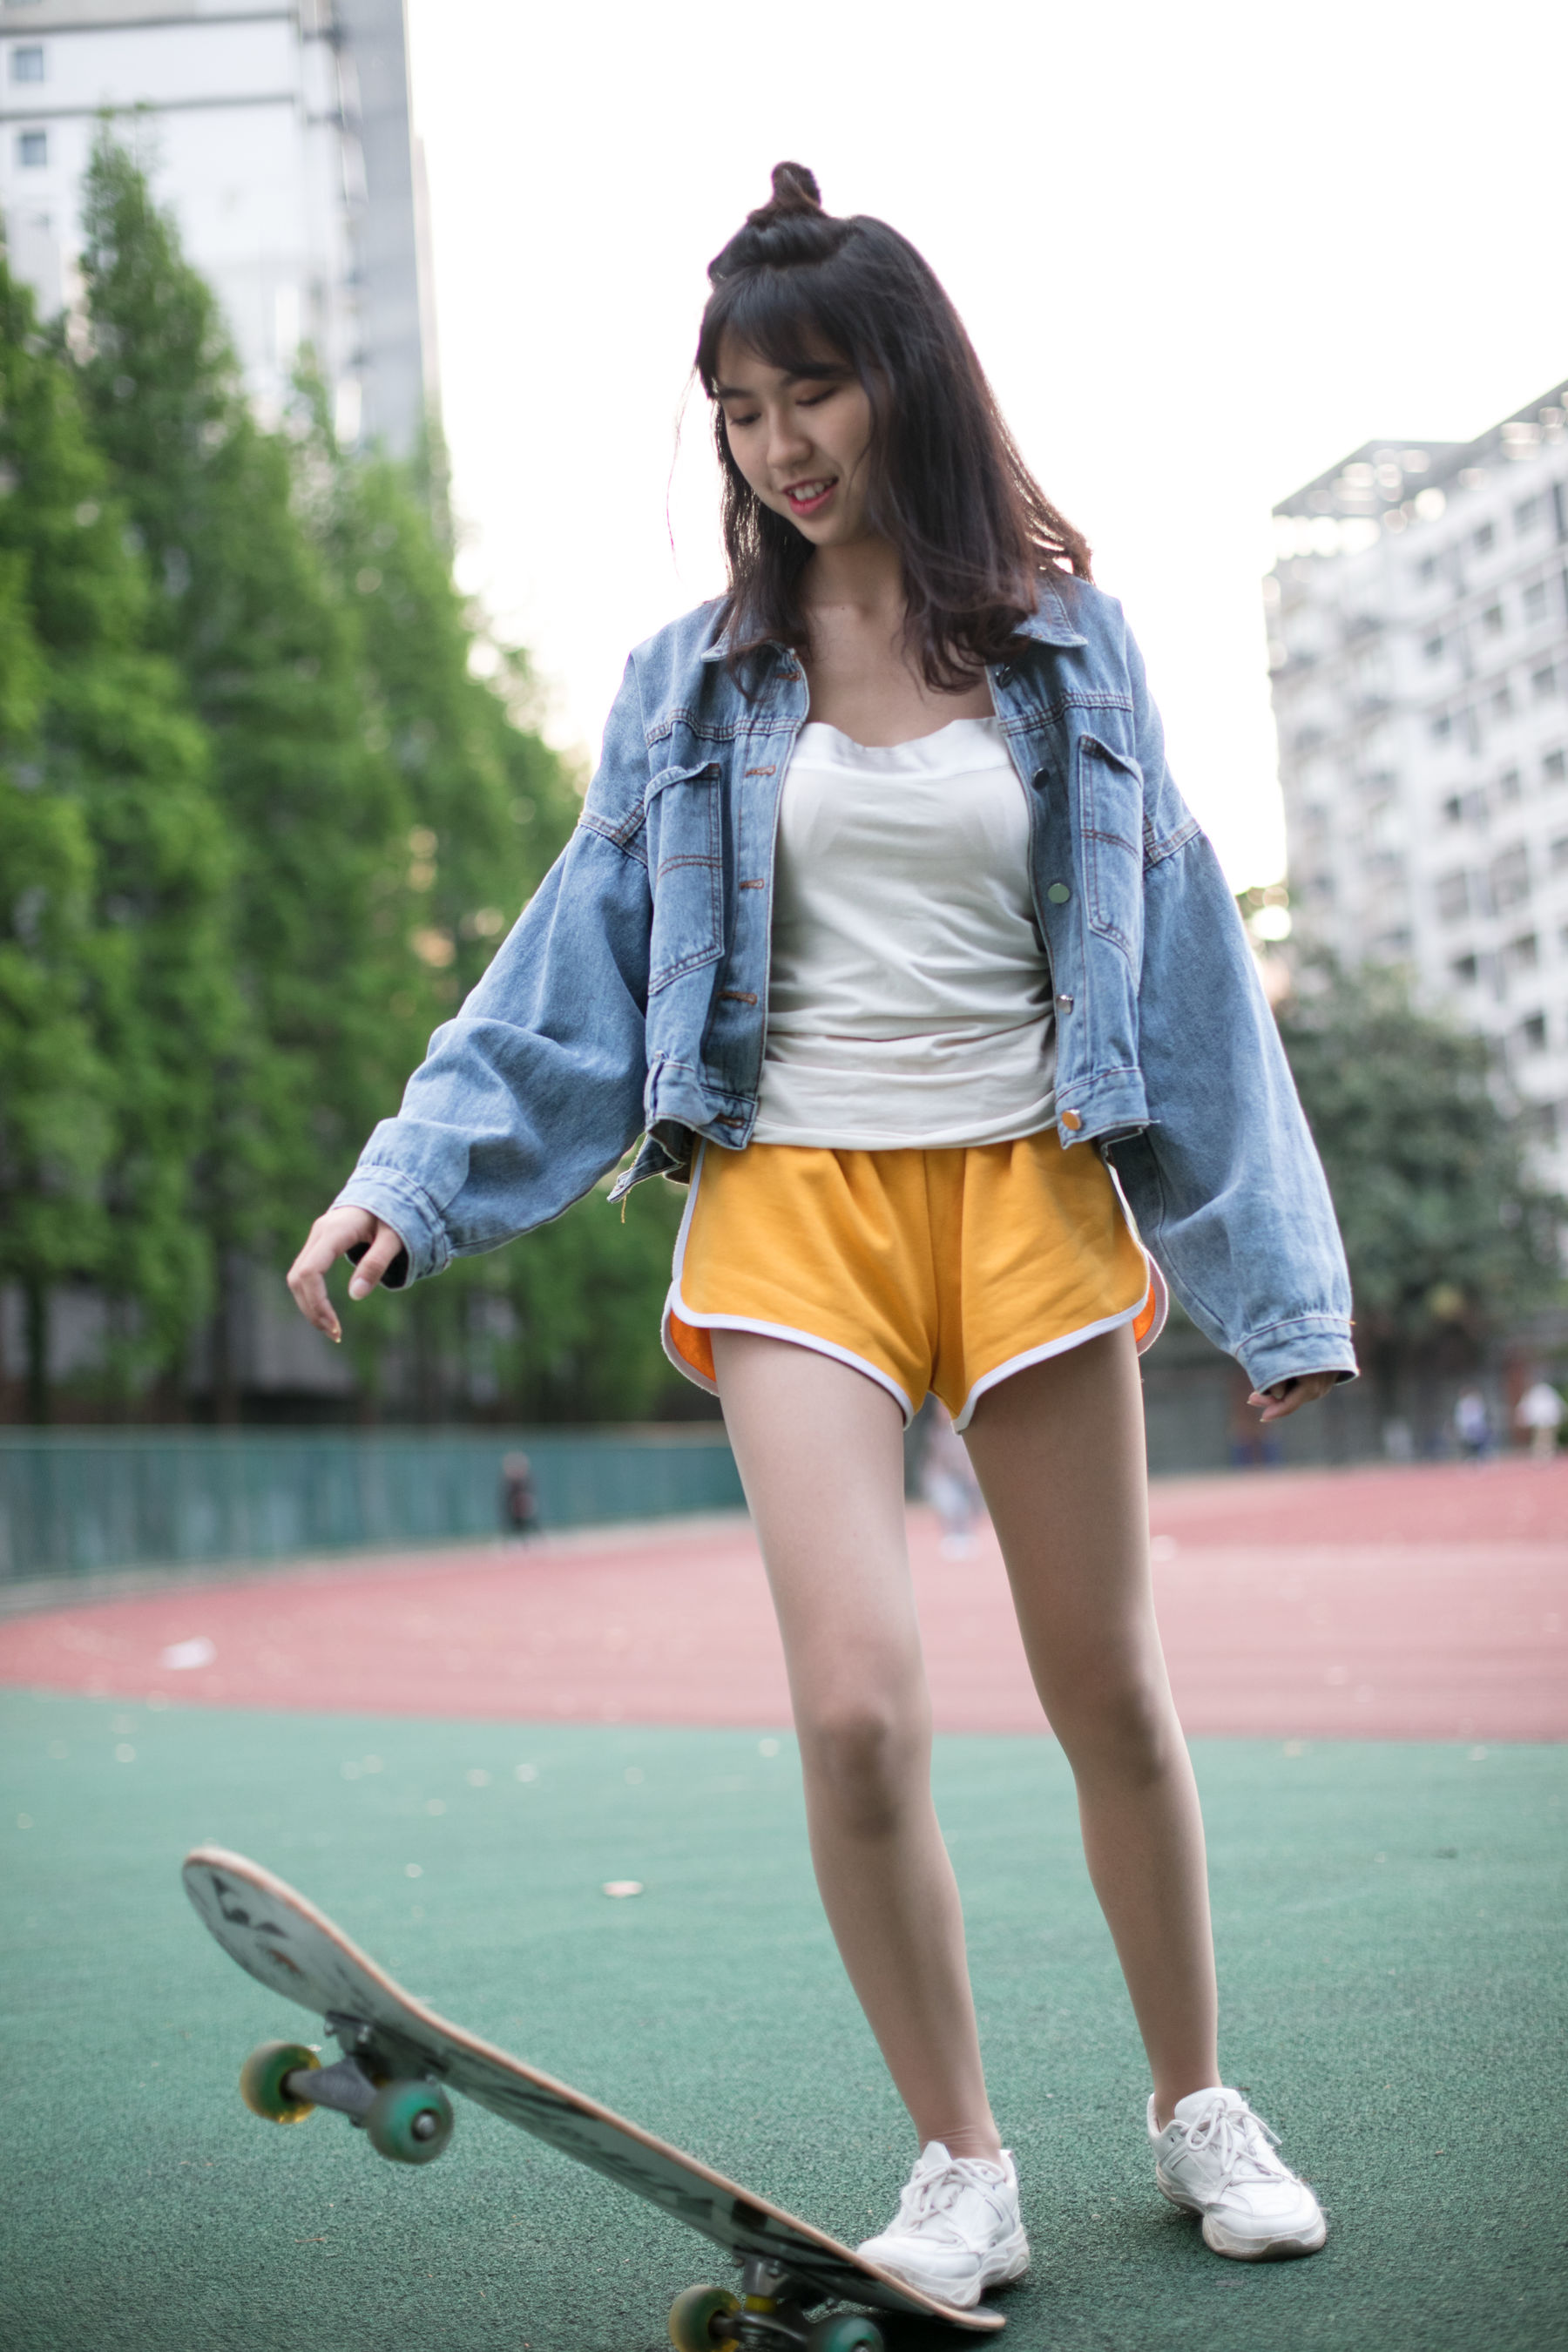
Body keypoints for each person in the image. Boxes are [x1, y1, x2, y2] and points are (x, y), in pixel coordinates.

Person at [287, 165, 1355, 2302]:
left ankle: (1195, 2099)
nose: (779, 444)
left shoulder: (1071, 653)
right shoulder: (690, 685)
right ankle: (963, 2163)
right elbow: (572, 957)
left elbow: (1186, 980)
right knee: (856, 1709)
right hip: (792, 1208)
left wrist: (1273, 1280)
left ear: (905, 386)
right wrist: (410, 1173)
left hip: (1029, 1187)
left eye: (813, 393)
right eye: (740, 409)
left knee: (1110, 1692)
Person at [920, 1402, 985, 1557]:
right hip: (945, 1475)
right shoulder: (934, 1431)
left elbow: (967, 1457)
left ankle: (965, 1533)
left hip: (964, 1475)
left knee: (970, 1503)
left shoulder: (964, 1431)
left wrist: (971, 1473)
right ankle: (951, 1534)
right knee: (950, 1503)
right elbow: (934, 1459)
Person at [1515, 1376, 1564, 1462]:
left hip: (1545, 1419)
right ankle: (1543, 1453)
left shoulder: (1541, 1391)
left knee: (1544, 1436)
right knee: (1543, 1437)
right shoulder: (1542, 1391)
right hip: (1543, 1419)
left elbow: (1526, 1406)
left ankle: (1544, 1453)